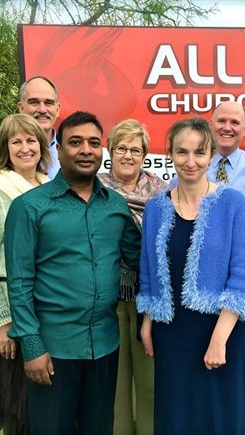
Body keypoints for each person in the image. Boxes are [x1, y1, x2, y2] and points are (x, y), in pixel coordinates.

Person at [4, 111, 141, 435]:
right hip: (53, 349)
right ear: (59, 149)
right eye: (75, 142)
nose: (86, 150)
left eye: (94, 143)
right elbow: (19, 282)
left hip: (105, 346)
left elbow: (140, 260)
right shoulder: (30, 207)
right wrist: (32, 347)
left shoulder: (115, 206)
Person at [137, 117, 245, 435]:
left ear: (211, 155)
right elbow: (148, 272)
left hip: (223, 331)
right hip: (172, 333)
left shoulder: (232, 203)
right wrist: (148, 321)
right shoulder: (155, 208)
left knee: (224, 420)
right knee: (178, 420)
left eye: (199, 153)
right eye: (181, 152)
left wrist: (219, 340)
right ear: (170, 155)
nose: (190, 161)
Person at [0, 113, 52, 435]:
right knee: (20, 410)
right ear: (5, 148)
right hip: (12, 316)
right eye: (15, 141)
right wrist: (0, 323)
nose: (25, 148)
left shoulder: (49, 186)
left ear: (41, 145)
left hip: (46, 309)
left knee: (47, 405)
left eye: (31, 140)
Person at [98, 119, 166, 435]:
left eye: (135, 150)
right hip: (106, 298)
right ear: (110, 151)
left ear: (144, 155)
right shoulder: (93, 188)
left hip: (148, 297)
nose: (128, 155)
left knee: (152, 383)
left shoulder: (162, 192)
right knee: (114, 385)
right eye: (121, 148)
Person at [0, 76, 61, 249]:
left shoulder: (70, 154)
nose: (42, 109)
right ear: (21, 107)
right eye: (34, 102)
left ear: (58, 109)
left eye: (48, 102)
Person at [208, 101, 245, 221]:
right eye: (221, 121)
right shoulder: (194, 167)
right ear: (211, 125)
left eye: (234, 122)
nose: (226, 128)